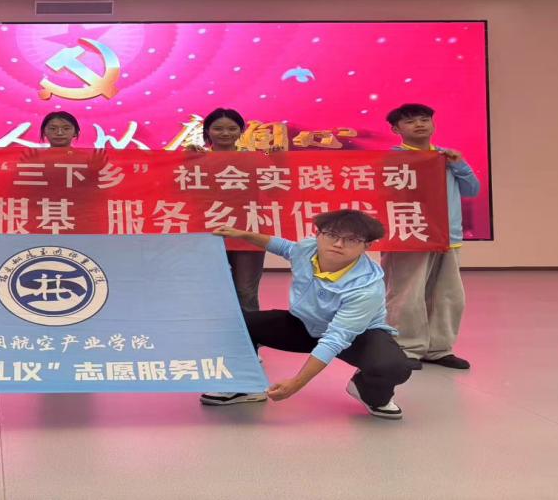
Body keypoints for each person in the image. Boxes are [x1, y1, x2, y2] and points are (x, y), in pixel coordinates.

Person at [201, 211, 413, 420]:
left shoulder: (367, 288)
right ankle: (244, 386)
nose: (338, 244)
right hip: (304, 324)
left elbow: (335, 339)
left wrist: (296, 384)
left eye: (351, 240)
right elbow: (283, 247)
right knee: (235, 327)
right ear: (318, 234)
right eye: (331, 235)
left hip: (357, 336)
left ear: (367, 245)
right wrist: (243, 235)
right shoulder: (308, 249)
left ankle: (368, 391)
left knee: (393, 366)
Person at [381, 103, 481, 370]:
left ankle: (439, 348)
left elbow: (472, 190)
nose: (419, 124)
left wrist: (459, 165)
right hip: (409, 235)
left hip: (448, 236)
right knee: (406, 294)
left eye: (424, 119)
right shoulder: (391, 159)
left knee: (447, 295)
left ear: (433, 124)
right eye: (410, 121)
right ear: (396, 129)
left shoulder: (447, 157)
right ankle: (406, 348)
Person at [189, 108, 266, 312]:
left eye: (232, 128)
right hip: (208, 232)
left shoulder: (254, 157)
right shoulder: (196, 157)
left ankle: (250, 333)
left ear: (241, 131)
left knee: (246, 292)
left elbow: (275, 178)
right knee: (210, 290)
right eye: (218, 128)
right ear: (207, 131)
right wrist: (186, 159)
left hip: (247, 231)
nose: (225, 133)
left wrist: (278, 156)